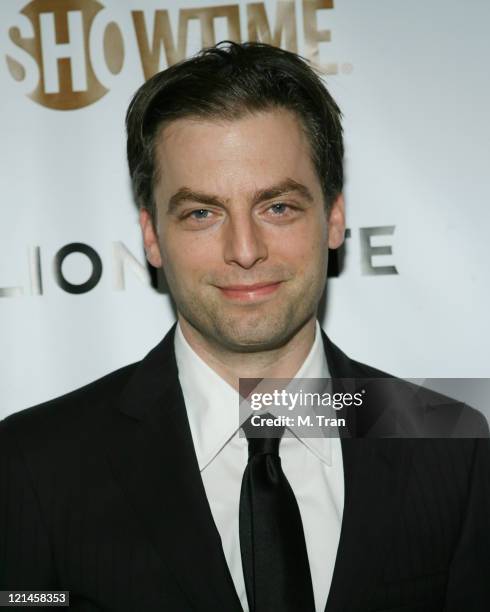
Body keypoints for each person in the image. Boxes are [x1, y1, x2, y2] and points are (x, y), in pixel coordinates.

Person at [0, 42, 489, 612]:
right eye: (201, 213)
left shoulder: (450, 444)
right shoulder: (32, 464)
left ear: (334, 217)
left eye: (277, 206)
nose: (245, 250)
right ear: (152, 236)